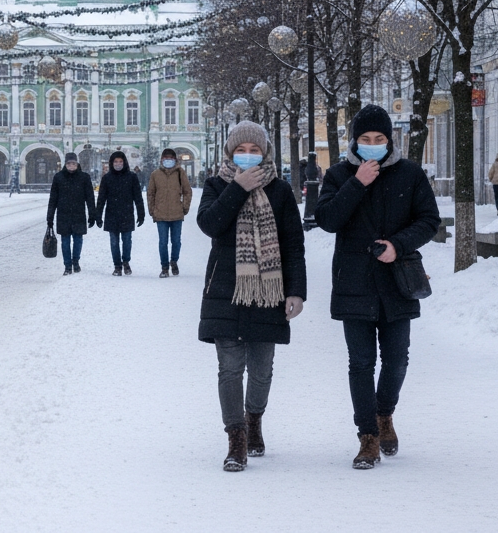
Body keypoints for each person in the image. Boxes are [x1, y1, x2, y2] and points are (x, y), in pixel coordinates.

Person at [315, 104, 440, 470]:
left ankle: (385, 413)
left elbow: (428, 220)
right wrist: (358, 183)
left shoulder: (410, 174)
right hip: (354, 280)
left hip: (397, 279)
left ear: (390, 140)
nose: (372, 145)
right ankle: (367, 436)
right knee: (361, 362)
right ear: (355, 141)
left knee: (397, 359)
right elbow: (327, 219)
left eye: (379, 139)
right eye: (365, 139)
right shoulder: (339, 175)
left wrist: (397, 245)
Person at [197, 121, 307, 472]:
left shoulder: (281, 190)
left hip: (268, 292)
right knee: (229, 369)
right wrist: (238, 189)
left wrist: (297, 292)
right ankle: (237, 439)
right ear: (229, 153)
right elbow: (210, 224)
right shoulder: (216, 185)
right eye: (240, 150)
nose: (247, 156)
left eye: (254, 150)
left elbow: (293, 245)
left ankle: (254, 418)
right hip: (225, 289)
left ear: (265, 153)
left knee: (261, 370)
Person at [47, 152, 97, 276]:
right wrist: (50, 217)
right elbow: (53, 198)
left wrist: (92, 215)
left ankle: (76, 261)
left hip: (78, 213)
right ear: (65, 164)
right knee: (65, 241)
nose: (71, 165)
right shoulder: (58, 177)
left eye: (73, 163)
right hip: (63, 214)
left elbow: (90, 197)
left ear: (77, 164)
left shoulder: (84, 177)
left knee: (78, 240)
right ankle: (67, 265)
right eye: (69, 163)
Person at [96, 150, 145, 276]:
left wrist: (141, 213)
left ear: (124, 162)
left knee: (127, 240)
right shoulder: (107, 178)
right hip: (112, 214)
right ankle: (117, 265)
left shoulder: (132, 177)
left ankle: (126, 262)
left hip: (127, 213)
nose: (118, 164)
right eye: (115, 162)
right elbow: (101, 198)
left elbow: (137, 196)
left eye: (120, 161)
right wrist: (98, 215)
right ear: (112, 163)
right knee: (114, 241)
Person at [147, 147, 191, 277]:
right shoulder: (155, 174)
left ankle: (174, 261)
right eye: (166, 158)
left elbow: (187, 191)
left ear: (175, 160)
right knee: (163, 242)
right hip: (160, 214)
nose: (168, 161)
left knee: (176, 241)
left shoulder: (180, 173)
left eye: (170, 159)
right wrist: (152, 210)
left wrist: (185, 207)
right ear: (161, 160)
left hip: (177, 213)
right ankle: (164, 267)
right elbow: (151, 193)